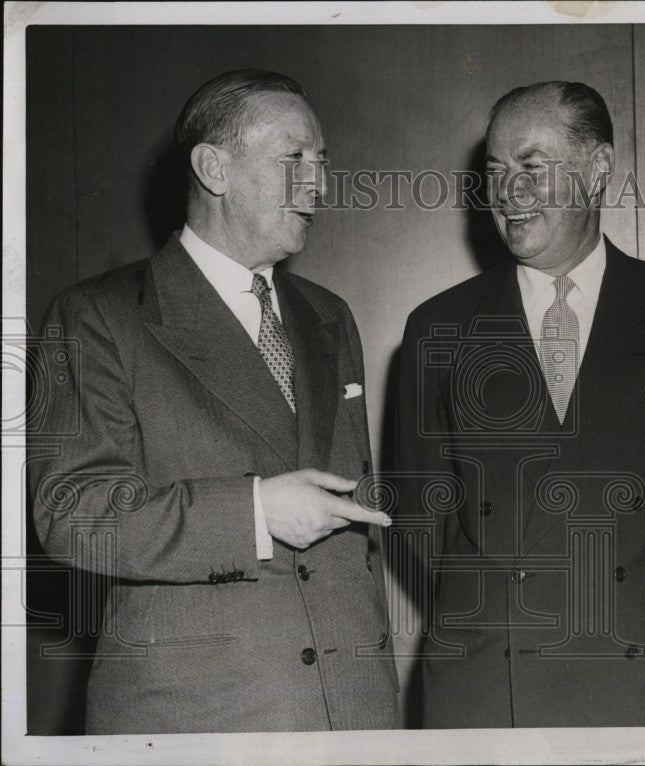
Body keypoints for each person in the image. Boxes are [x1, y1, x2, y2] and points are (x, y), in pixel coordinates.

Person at [29, 69, 399, 733]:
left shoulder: (328, 316)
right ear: (214, 168)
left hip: (354, 717)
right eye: (294, 160)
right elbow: (72, 512)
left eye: (321, 162)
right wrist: (256, 512)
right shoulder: (98, 316)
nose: (318, 185)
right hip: (198, 722)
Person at [393, 81, 645, 727]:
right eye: (496, 172)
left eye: (531, 166)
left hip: (640, 684)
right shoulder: (438, 328)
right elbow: (420, 516)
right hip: (486, 690)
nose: (508, 193)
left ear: (598, 169)